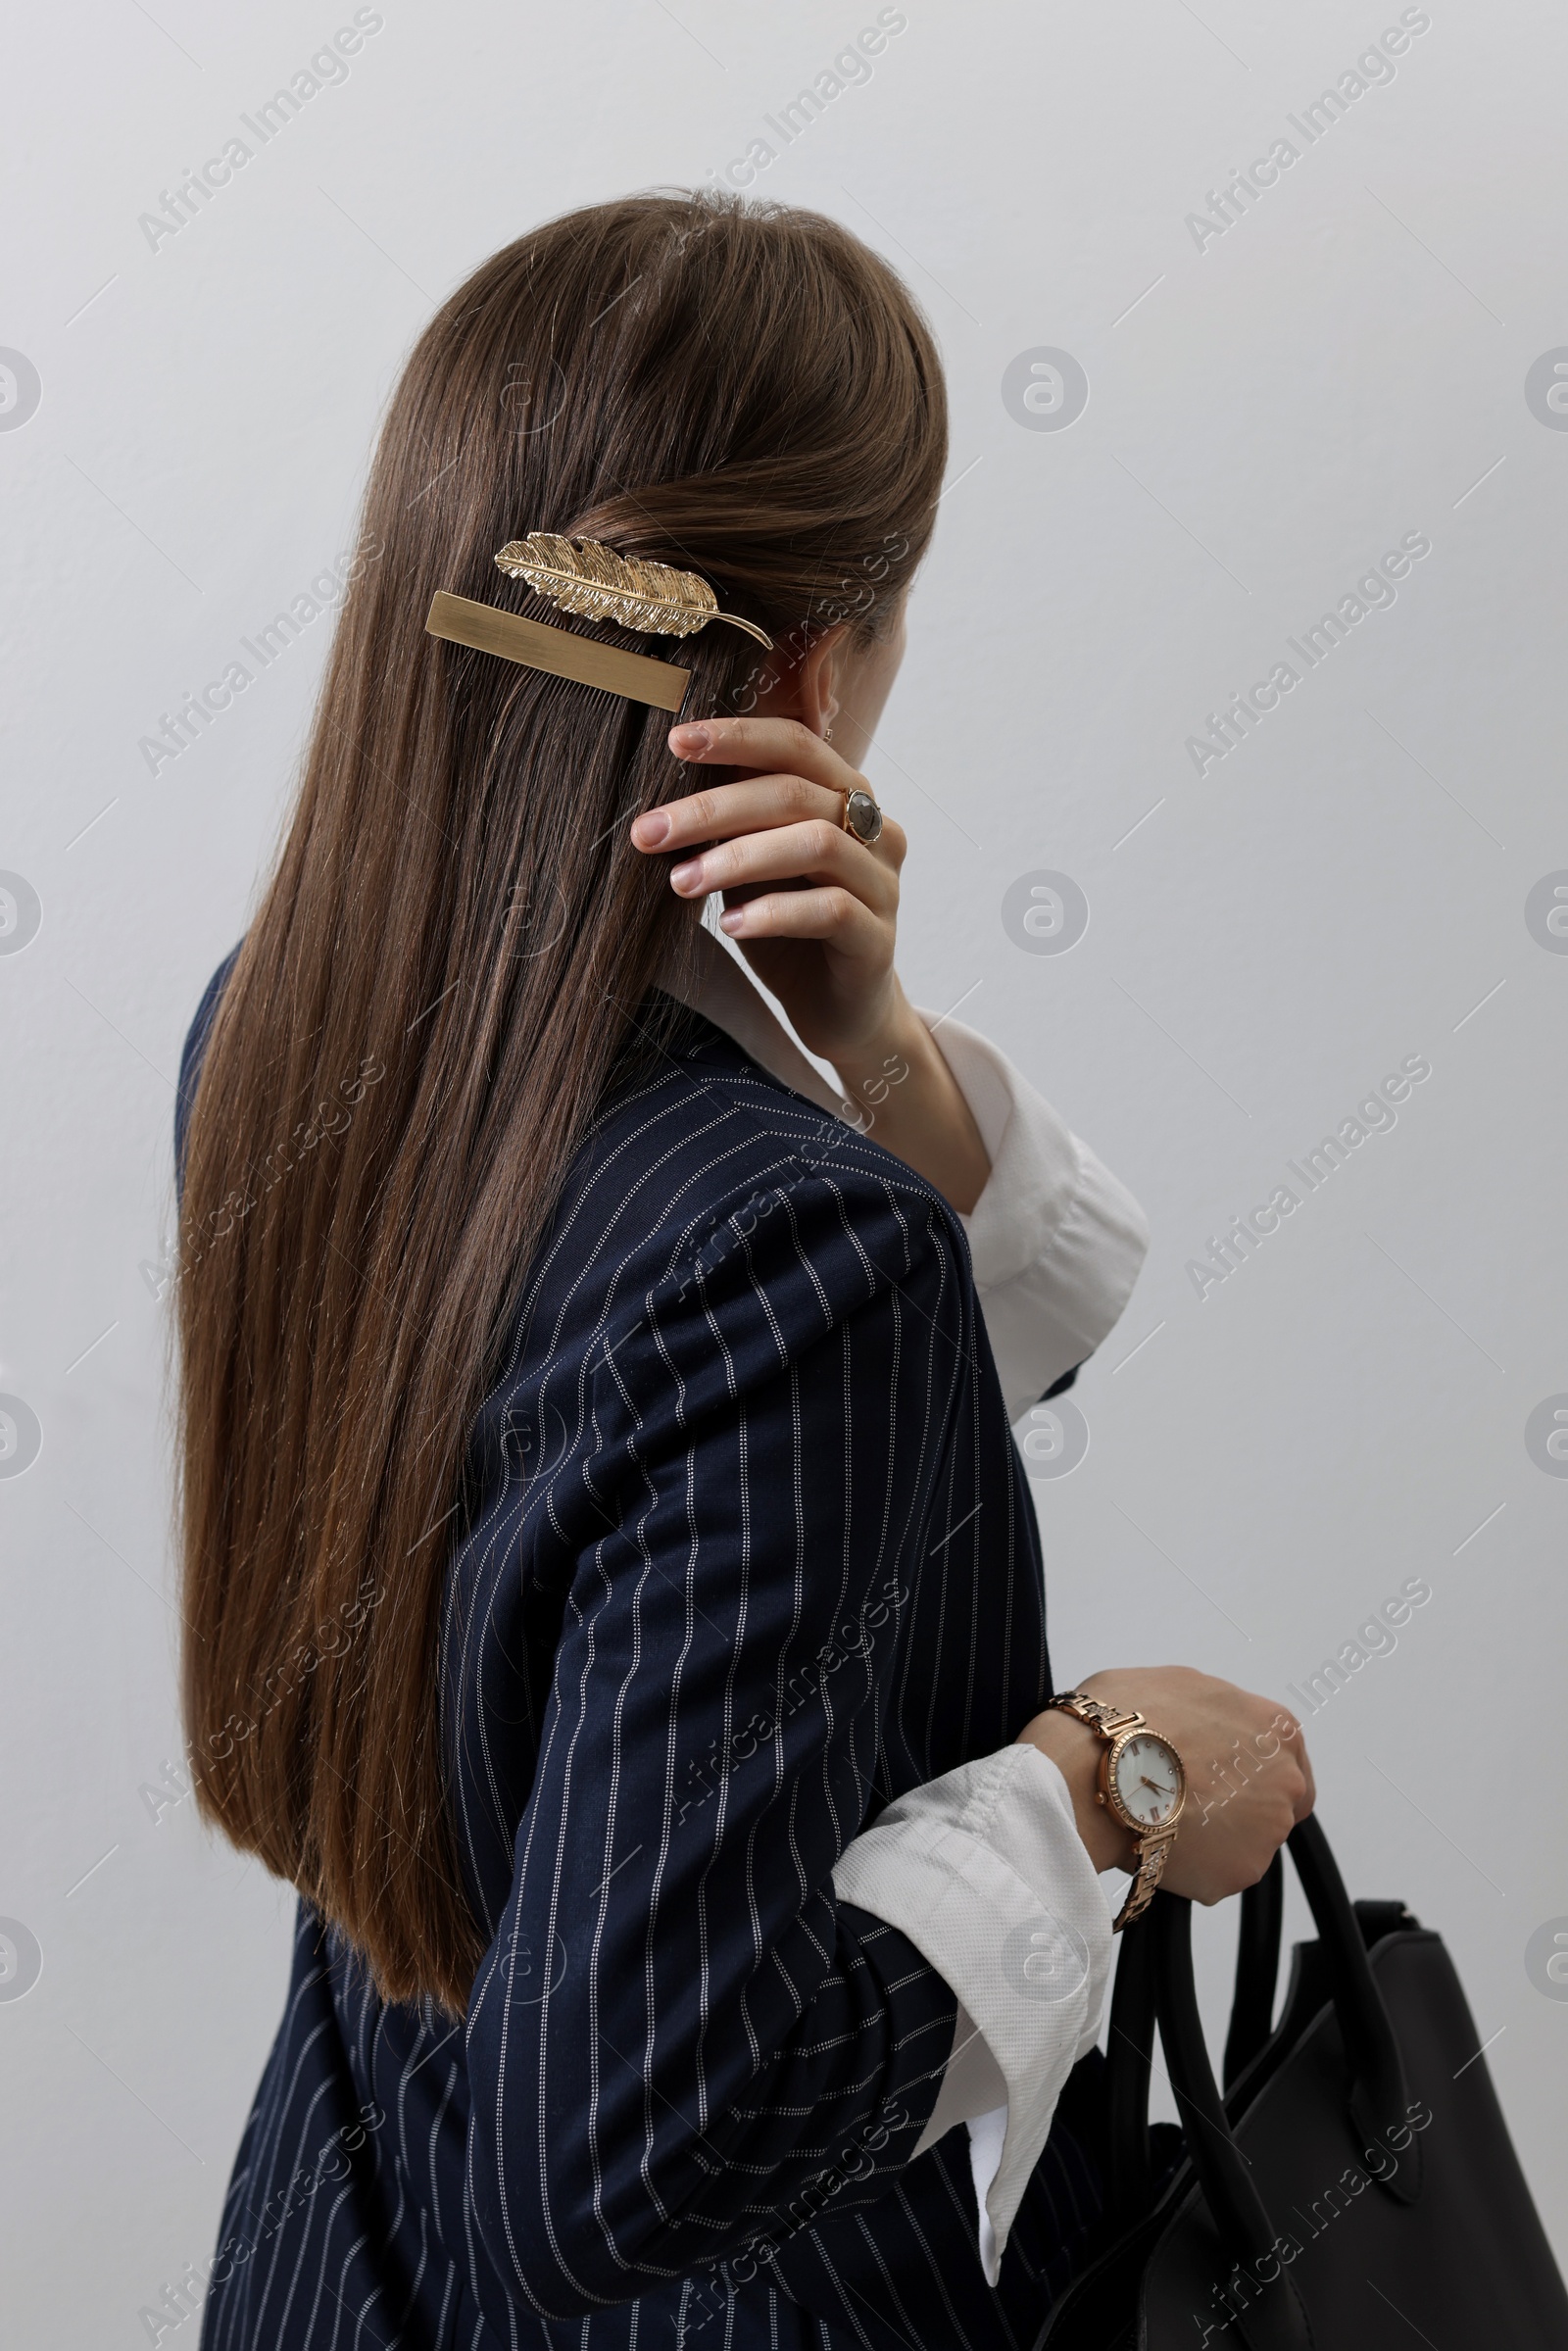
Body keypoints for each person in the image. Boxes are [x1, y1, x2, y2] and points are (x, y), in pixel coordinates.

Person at [172, 191, 1312, 2351]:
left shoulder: (272, 1037)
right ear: (807, 674)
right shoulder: (796, 1251)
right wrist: (1108, 1786)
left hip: (340, 2249)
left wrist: (866, 1055)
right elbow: (633, 2164)